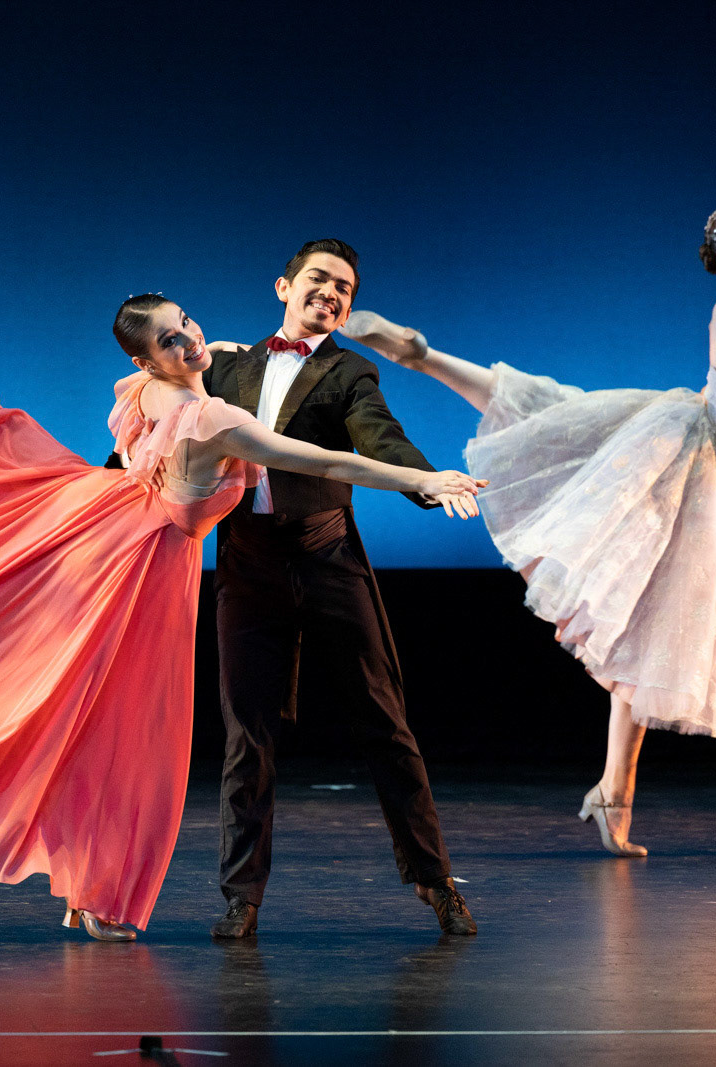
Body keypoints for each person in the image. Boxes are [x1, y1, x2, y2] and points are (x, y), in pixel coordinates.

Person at [0, 278, 482, 942]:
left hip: (102, 523)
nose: (190, 339)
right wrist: (422, 478)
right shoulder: (214, 419)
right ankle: (97, 892)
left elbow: (211, 355)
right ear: (148, 358)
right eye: (172, 339)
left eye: (187, 323)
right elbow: (326, 462)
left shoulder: (145, 390)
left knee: (83, 707)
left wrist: (213, 346)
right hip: (135, 568)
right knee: (126, 736)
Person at [340, 205, 716, 856]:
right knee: (645, 632)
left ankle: (424, 356)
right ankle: (614, 792)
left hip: (687, 433)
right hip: (707, 474)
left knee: (551, 420)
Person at [202, 239, 479, 939]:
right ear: (284, 286)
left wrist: (426, 480)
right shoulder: (225, 368)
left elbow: (378, 436)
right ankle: (242, 897)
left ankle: (435, 878)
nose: (330, 292)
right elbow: (162, 421)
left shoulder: (348, 369)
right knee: (247, 735)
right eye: (319, 278)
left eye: (344, 288)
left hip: (327, 556)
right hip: (247, 565)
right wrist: (107, 485)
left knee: (385, 721)